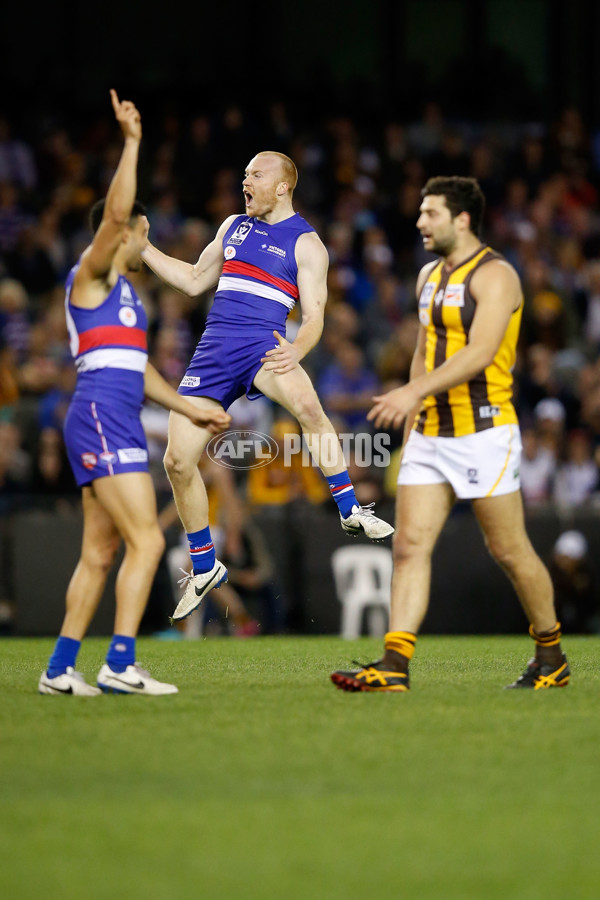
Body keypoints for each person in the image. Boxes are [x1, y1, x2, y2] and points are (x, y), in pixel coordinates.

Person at [331, 176, 570, 693]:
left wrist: (412, 393)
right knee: (409, 546)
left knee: (508, 549)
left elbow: (481, 352)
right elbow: (425, 348)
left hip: (483, 430)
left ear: (462, 219)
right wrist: (415, 401)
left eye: (430, 213)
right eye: (420, 212)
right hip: (432, 433)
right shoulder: (427, 277)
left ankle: (551, 653)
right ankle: (394, 666)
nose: (419, 222)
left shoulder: (498, 275)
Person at [140, 150, 394, 623]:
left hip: (266, 344)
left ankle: (350, 506)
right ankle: (203, 566)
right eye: (244, 175)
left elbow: (316, 316)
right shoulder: (233, 225)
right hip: (214, 350)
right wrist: (146, 249)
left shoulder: (308, 244)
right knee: (177, 459)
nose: (245, 181)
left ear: (282, 186)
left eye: (255, 174)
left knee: (310, 408)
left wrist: (297, 350)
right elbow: (195, 281)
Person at [38, 91, 230, 697]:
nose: (147, 243)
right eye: (142, 234)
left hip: (111, 415)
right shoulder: (91, 274)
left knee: (101, 552)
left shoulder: (126, 299)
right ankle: (120, 661)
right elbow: (118, 217)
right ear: (126, 231)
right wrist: (133, 142)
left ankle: (58, 670)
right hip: (99, 416)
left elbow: (139, 370)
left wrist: (186, 405)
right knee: (147, 540)